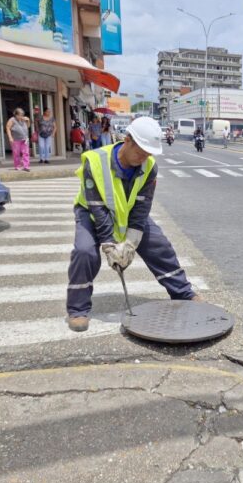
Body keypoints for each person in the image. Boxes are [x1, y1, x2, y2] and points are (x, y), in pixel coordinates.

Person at [66, 117, 200, 332]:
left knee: (159, 246)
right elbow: (97, 207)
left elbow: (141, 207)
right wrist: (109, 244)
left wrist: (130, 243)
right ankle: (77, 310)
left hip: (128, 213)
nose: (143, 158)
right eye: (140, 152)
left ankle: (183, 293)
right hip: (91, 213)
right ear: (127, 140)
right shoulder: (95, 161)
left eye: (148, 153)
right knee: (84, 252)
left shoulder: (149, 167)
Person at [5, 107, 30, 171]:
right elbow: (8, 128)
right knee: (16, 153)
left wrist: (28, 120)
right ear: (16, 115)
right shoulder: (12, 120)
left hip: (25, 139)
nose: (21, 116)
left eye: (22, 115)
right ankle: (17, 166)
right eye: (20, 115)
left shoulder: (23, 119)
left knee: (26, 153)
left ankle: (26, 166)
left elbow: (28, 126)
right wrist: (10, 137)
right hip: (16, 139)